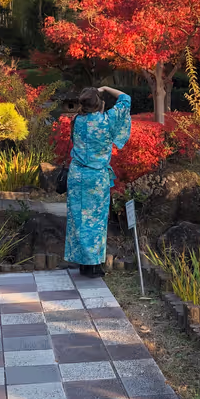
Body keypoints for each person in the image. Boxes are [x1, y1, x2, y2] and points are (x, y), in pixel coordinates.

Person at [65, 85, 131, 276]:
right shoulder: (106, 121)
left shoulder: (76, 121)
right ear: (100, 104)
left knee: (78, 219)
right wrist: (106, 88)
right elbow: (125, 98)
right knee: (96, 220)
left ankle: (82, 264)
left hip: (77, 176)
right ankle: (94, 266)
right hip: (96, 177)